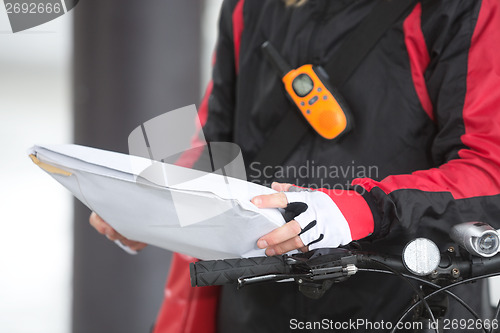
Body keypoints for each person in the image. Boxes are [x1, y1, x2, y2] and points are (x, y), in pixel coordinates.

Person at [90, 0, 500, 331]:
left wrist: (363, 209)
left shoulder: (458, 8)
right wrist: (156, 205)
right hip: (249, 307)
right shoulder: (244, 8)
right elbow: (218, 144)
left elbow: (489, 168)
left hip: (409, 308)